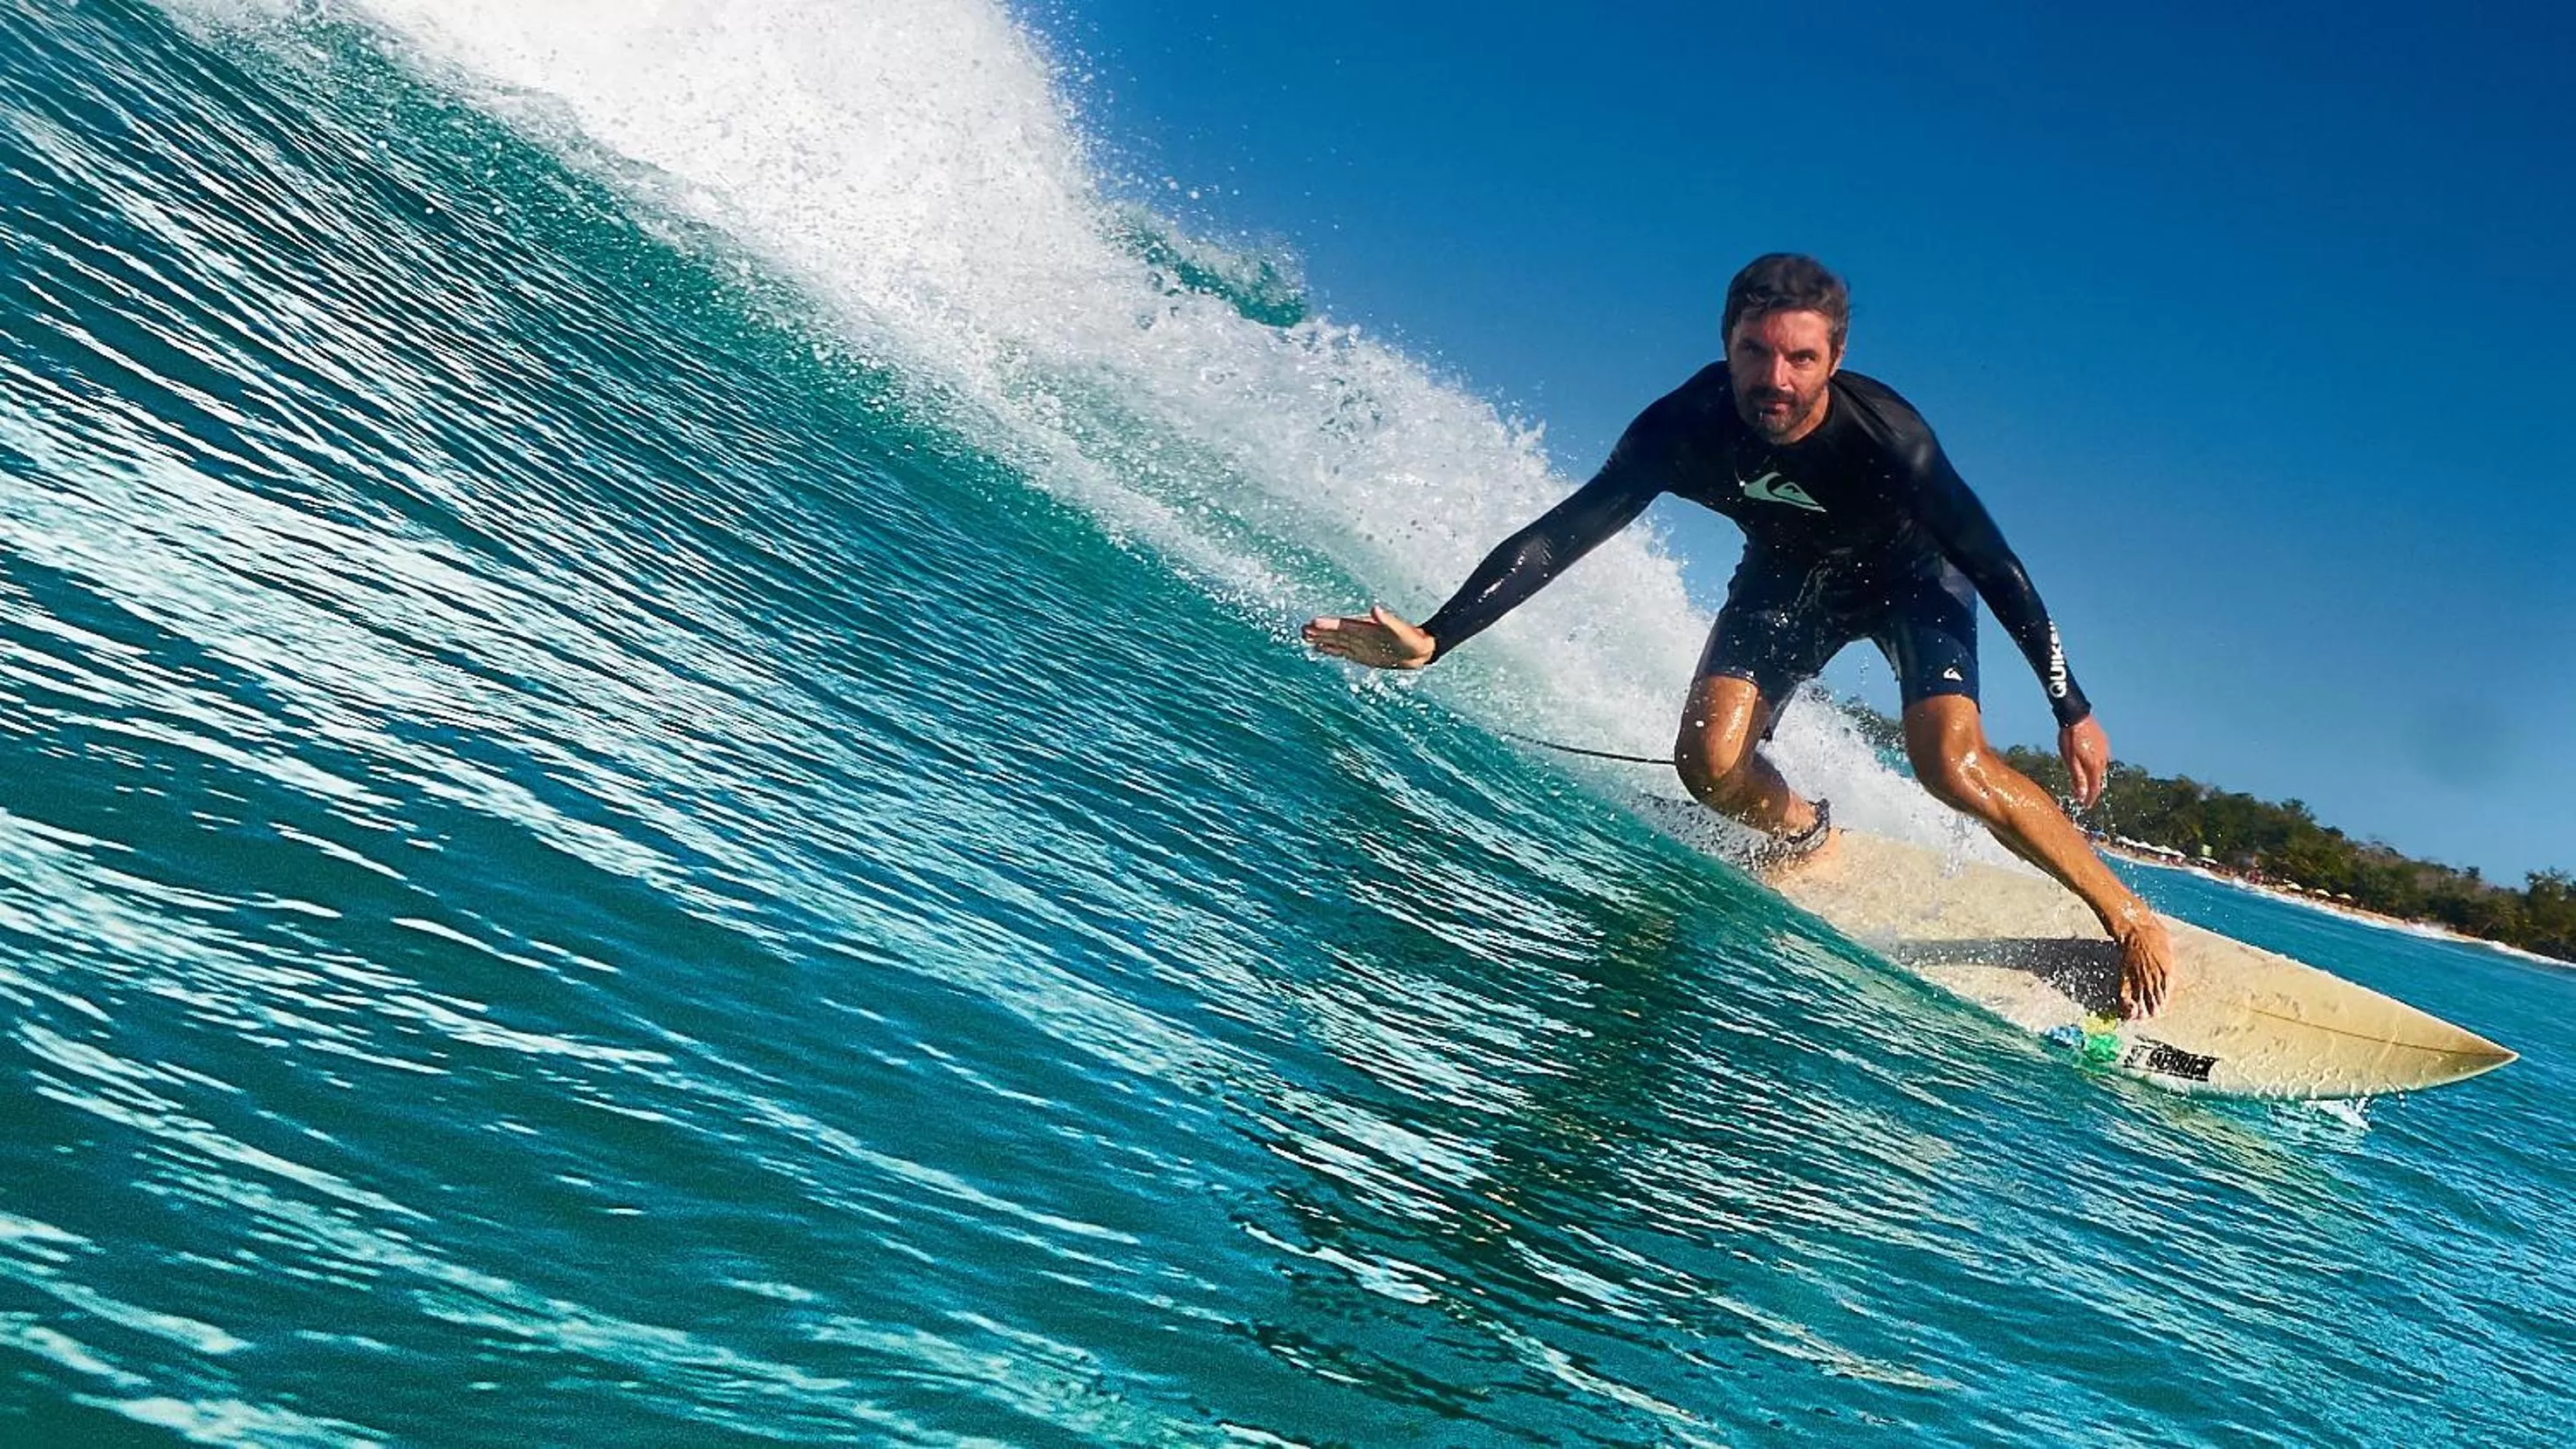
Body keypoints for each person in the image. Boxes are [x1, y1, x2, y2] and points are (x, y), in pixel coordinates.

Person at [1304, 253, 2174, 1017]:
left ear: (1835, 359)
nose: (1775, 378)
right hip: (1788, 579)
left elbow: (1996, 564)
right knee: (1707, 764)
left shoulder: (1890, 440)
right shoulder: (1682, 427)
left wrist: (2071, 706)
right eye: (1756, 351)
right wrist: (1437, 636)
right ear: (1726, 342)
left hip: (1915, 581)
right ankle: (1804, 831)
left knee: (1950, 762)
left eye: (1801, 357)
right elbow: (1564, 533)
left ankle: (2127, 914)